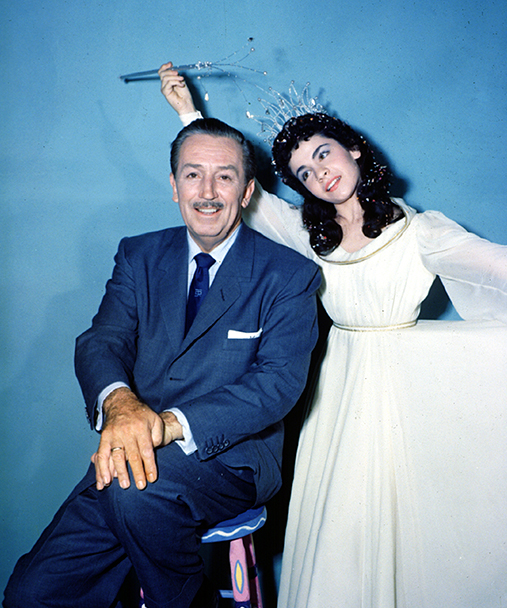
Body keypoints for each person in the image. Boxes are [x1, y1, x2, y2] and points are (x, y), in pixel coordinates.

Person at [159, 63, 507, 608]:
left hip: (407, 392)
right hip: (338, 394)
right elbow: (254, 198)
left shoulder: (421, 230)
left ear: (353, 150)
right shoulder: (311, 237)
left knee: (412, 526)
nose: (319, 174)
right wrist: (189, 113)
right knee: (342, 524)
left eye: (322, 154)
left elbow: (505, 268)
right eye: (303, 173)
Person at [3, 117, 321, 608]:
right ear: (174, 186)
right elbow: (101, 340)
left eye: (225, 176)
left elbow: (276, 385)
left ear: (248, 190)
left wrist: (165, 426)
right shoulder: (139, 256)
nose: (208, 191)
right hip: (131, 452)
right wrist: (121, 405)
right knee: (31, 595)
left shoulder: (289, 275)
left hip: (231, 460)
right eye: (193, 174)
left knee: (135, 494)